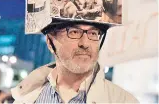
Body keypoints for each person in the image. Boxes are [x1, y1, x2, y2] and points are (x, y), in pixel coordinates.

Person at [11, 20, 139, 103]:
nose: (85, 43)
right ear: (50, 43)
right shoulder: (26, 98)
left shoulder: (124, 101)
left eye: (93, 33)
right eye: (74, 32)